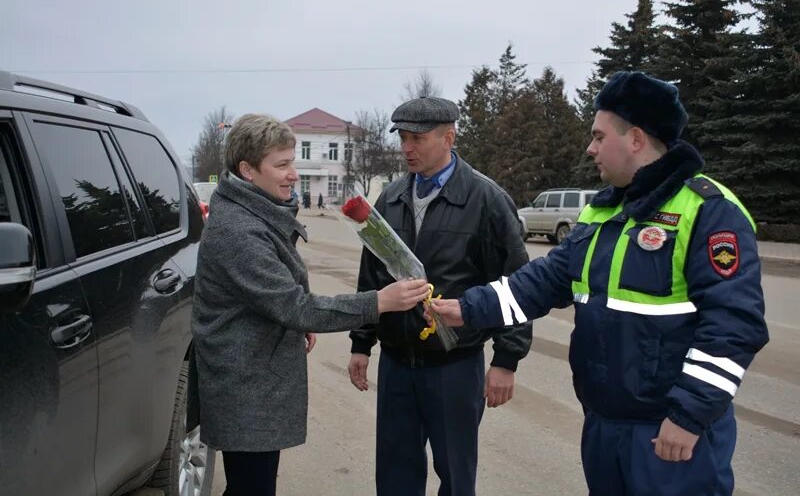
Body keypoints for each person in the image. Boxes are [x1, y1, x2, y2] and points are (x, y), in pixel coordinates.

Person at [428, 72, 769, 495]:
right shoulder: (602, 213)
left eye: (598, 136)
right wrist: (468, 308)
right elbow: (544, 280)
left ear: (636, 139)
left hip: (671, 434)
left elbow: (734, 325)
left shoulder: (708, 210)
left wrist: (689, 416)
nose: (590, 148)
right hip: (605, 426)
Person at [191, 113, 430, 496]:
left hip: (254, 379)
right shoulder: (240, 231)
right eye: (282, 164)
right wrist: (379, 302)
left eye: (293, 162)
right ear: (247, 170)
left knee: (250, 485)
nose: (293, 174)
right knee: (251, 487)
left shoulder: (254, 211)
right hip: (245, 386)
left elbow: (271, 299)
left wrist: (294, 322)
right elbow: (295, 306)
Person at [348, 96, 531, 496]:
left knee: (456, 474)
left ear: (448, 137)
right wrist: (362, 342)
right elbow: (371, 277)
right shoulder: (392, 198)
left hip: (455, 367)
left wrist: (506, 359)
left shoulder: (486, 200)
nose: (406, 148)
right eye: (402, 138)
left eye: (417, 138)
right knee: (395, 474)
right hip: (397, 365)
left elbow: (514, 284)